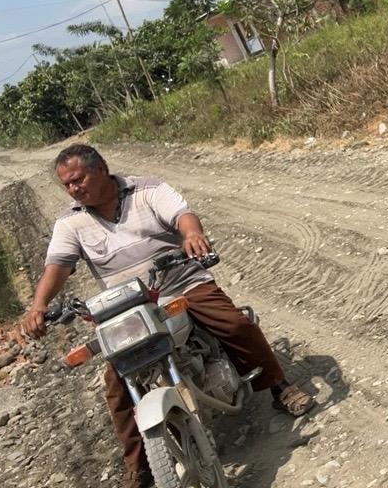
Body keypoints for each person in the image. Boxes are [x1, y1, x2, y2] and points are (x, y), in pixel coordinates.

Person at [20, 144, 315, 488]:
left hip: (179, 282)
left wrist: (191, 234)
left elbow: (182, 216)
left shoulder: (146, 189)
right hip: (127, 306)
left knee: (233, 323)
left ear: (101, 168)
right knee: (117, 382)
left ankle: (279, 386)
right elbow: (57, 266)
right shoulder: (70, 221)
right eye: (67, 184)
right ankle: (140, 467)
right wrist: (39, 305)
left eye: (78, 179)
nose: (73, 188)